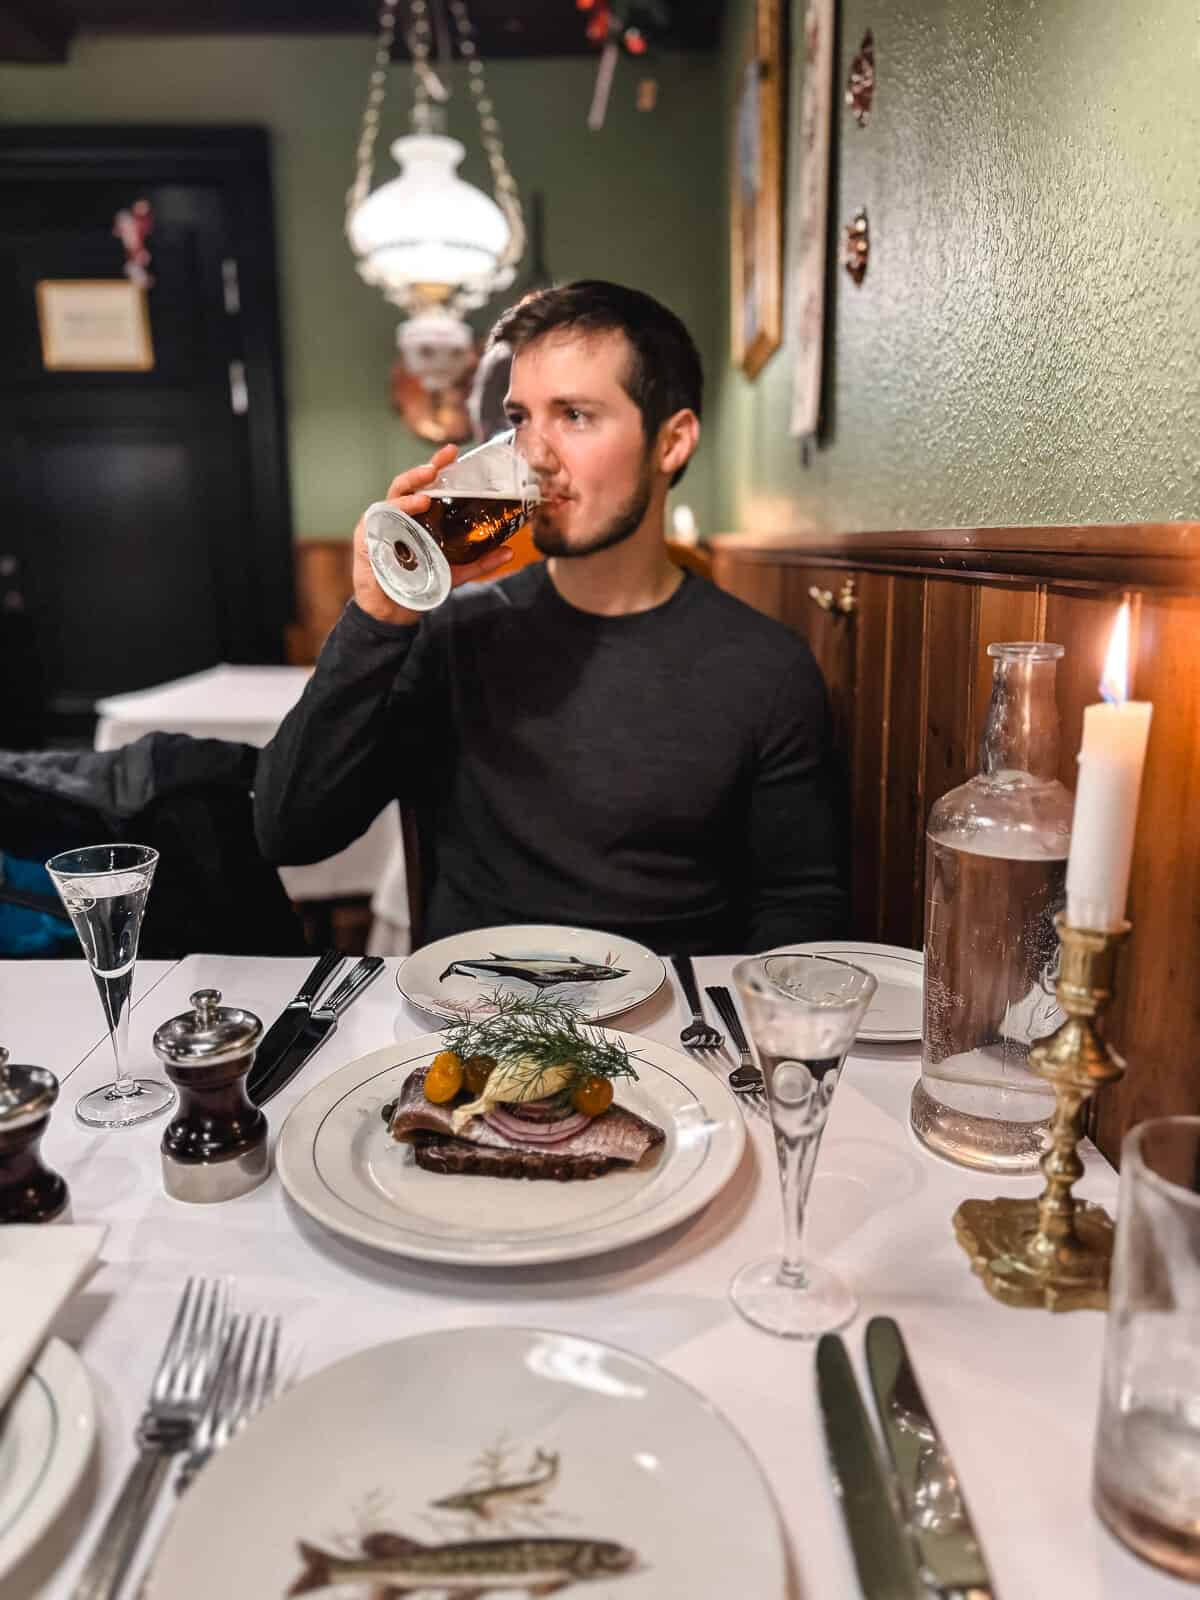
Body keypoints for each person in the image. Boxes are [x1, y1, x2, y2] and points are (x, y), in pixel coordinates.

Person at [255, 281, 847, 954]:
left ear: (672, 442)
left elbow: (799, 904)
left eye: (574, 416)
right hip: (473, 1019)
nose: (534, 455)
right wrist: (377, 618)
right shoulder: (455, 634)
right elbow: (288, 832)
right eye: (520, 419)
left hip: (667, 1032)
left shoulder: (765, 667)